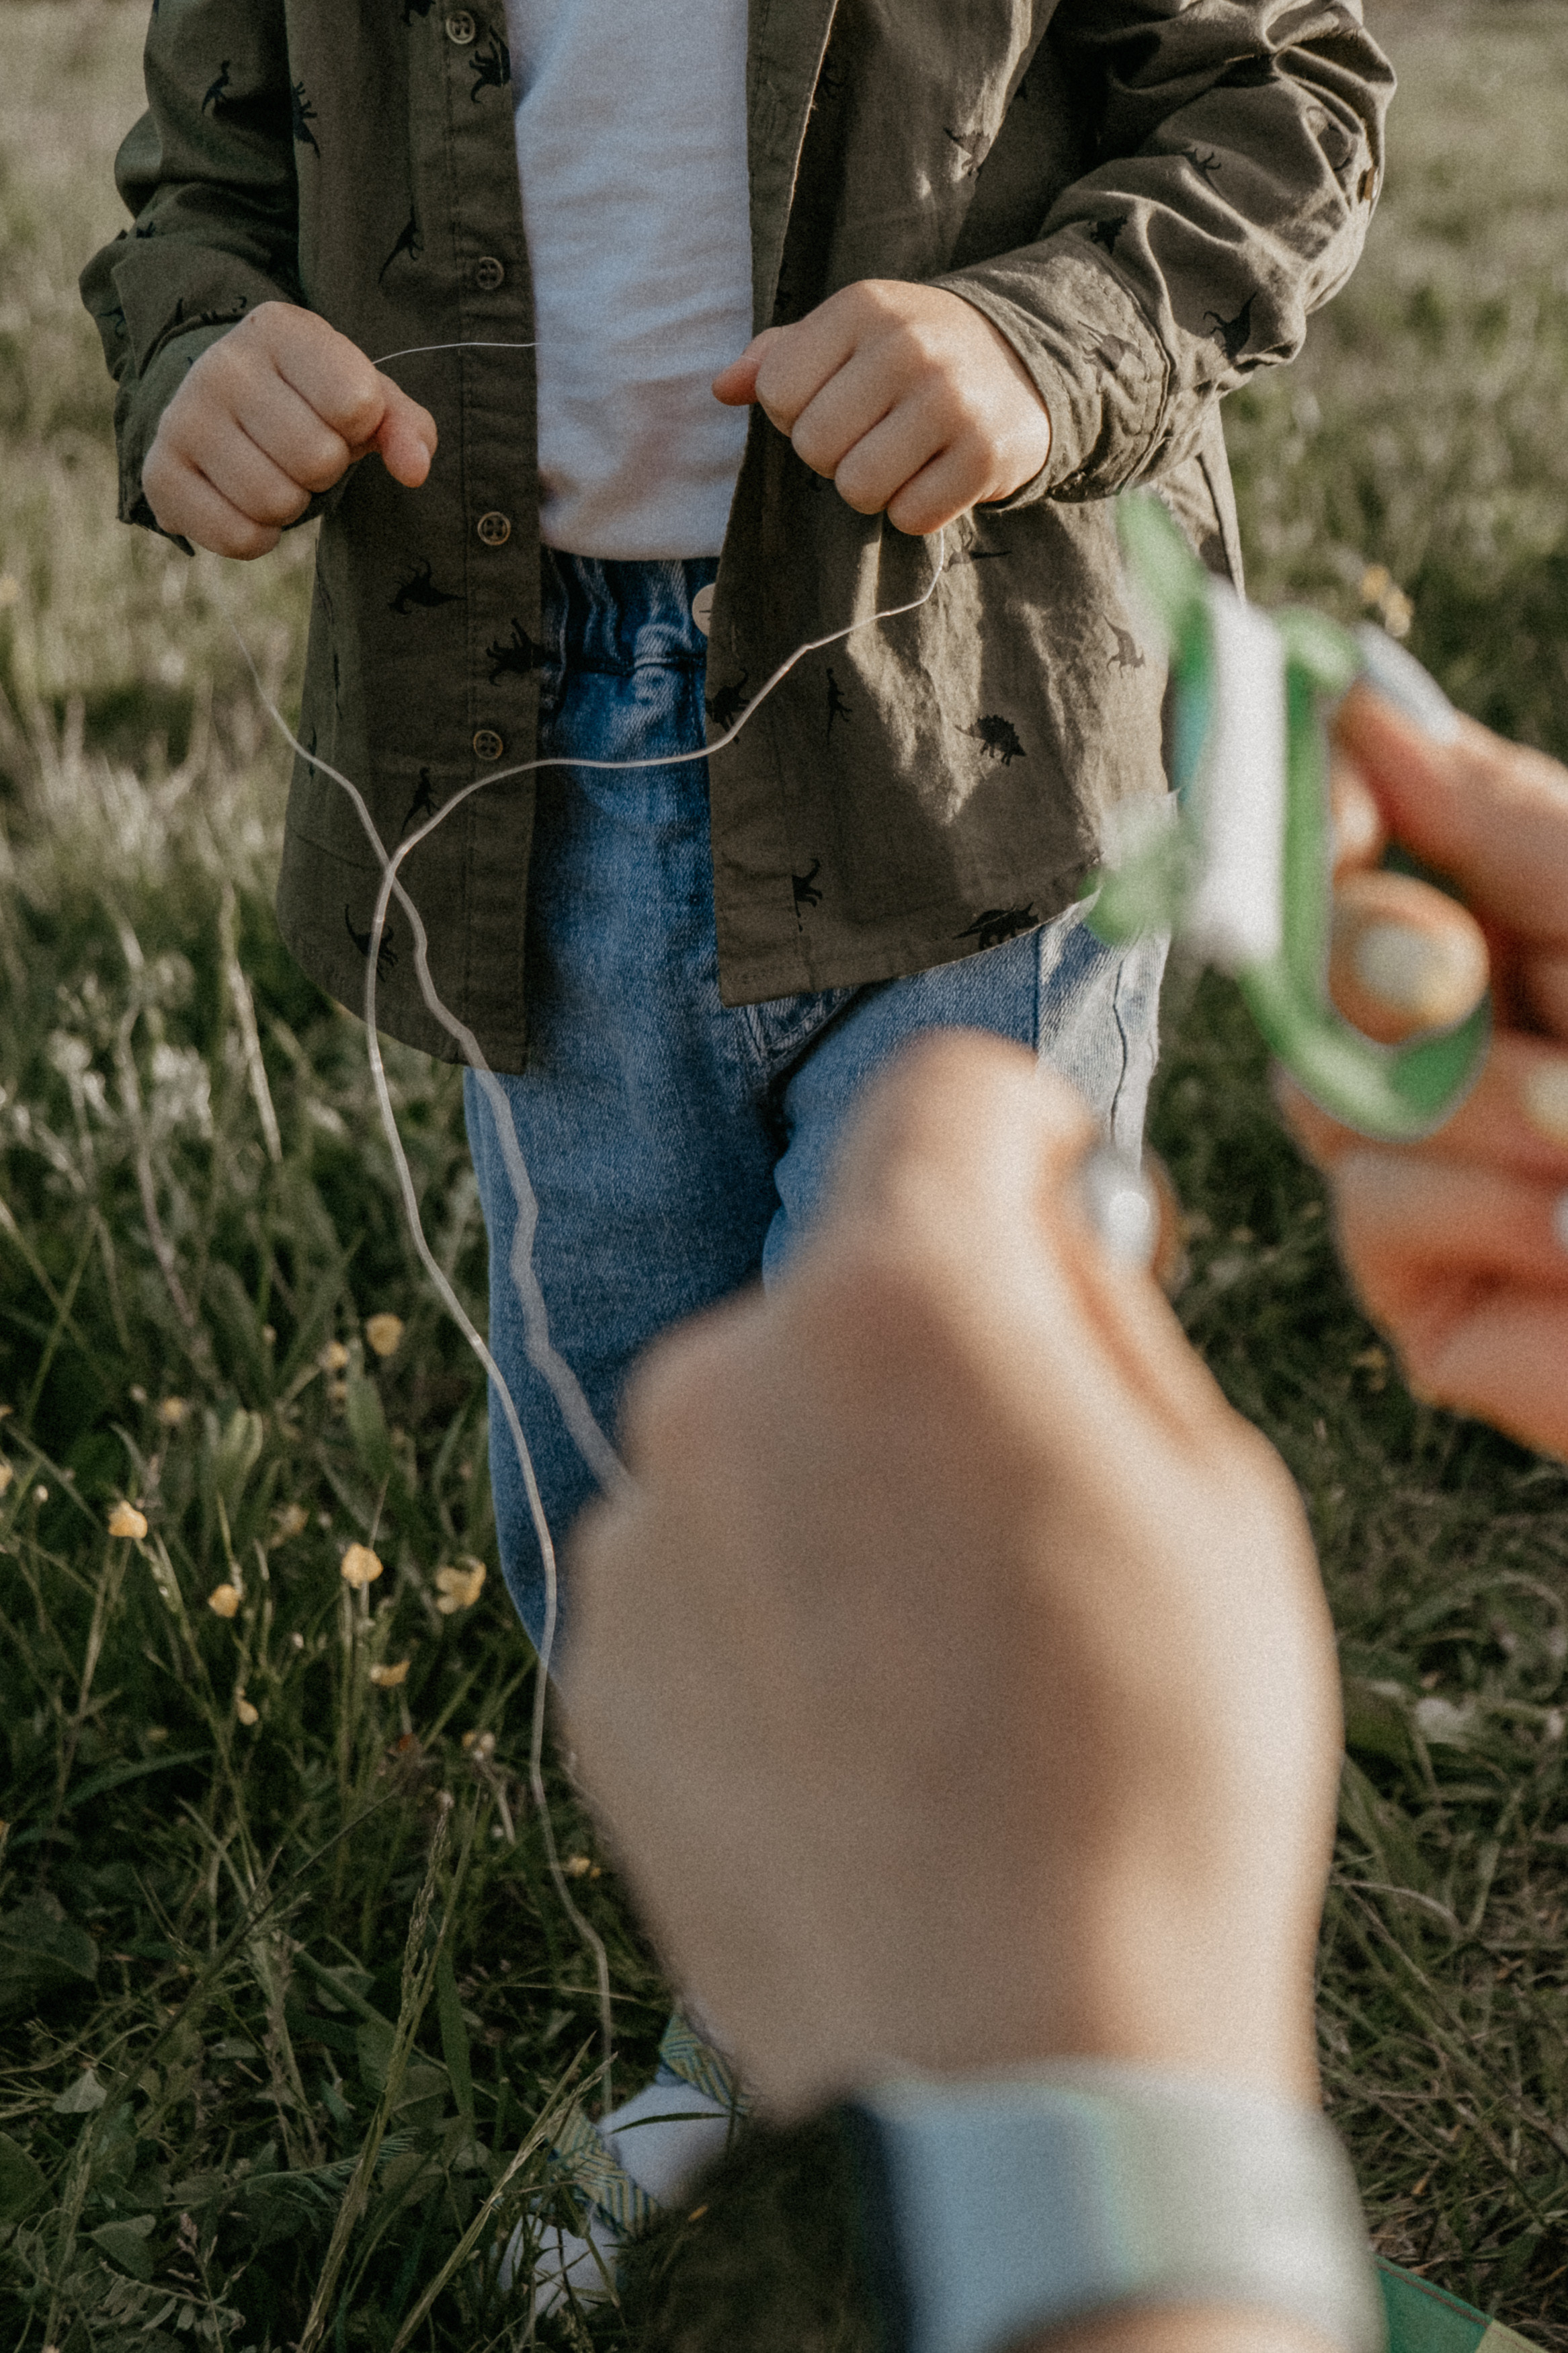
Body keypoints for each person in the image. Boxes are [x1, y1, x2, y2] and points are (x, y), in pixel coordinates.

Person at [79, 0, 1395, 2280]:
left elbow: (1287, 91)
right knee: (631, 1468)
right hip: (509, 756)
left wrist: (1044, 335)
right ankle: (785, 1988)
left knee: (946, 1450)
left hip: (971, 714)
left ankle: (956, 2078)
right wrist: (201, 341)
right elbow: (201, 187)